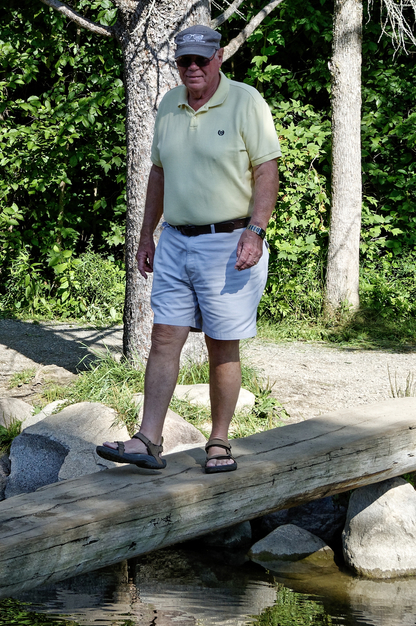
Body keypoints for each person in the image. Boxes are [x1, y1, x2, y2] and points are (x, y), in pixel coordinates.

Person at [97, 24, 280, 474]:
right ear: (177, 63)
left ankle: (218, 443)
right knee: (164, 336)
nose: (193, 68)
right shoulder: (169, 105)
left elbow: (267, 169)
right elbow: (158, 174)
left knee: (222, 344)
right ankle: (148, 440)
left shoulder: (246, 100)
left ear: (218, 57)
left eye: (201, 59)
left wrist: (256, 231)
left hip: (230, 240)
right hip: (177, 240)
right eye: (185, 61)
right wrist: (146, 236)